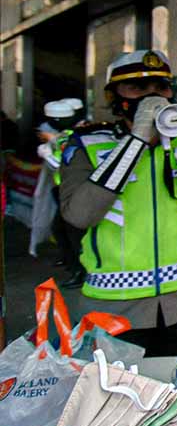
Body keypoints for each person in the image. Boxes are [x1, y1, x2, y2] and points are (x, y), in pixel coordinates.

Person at [59, 50, 177, 357]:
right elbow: (79, 215)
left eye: (161, 87)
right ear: (114, 96)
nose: (152, 96)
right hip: (115, 309)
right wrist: (137, 141)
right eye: (138, 88)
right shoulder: (87, 143)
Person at [35, 100, 86, 287]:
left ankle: (80, 271)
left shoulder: (70, 137)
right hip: (64, 189)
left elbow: (61, 164)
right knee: (62, 230)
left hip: (72, 190)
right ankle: (72, 264)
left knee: (73, 233)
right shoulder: (65, 136)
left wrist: (47, 152)